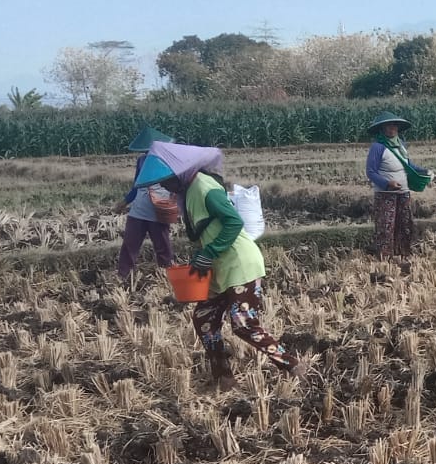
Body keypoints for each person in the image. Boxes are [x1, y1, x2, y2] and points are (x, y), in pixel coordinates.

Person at [135, 143, 299, 390]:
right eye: (161, 183)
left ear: (180, 172)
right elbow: (205, 232)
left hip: (239, 263)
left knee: (243, 324)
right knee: (204, 318)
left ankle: (292, 366)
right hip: (219, 268)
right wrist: (201, 257)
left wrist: (209, 252)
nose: (166, 186)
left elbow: (233, 222)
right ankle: (223, 378)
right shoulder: (188, 192)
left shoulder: (204, 187)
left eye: (167, 180)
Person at [364, 112, 432, 259]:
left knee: (405, 223)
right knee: (386, 225)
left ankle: (403, 253)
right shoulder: (378, 147)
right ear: (382, 129)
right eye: (388, 126)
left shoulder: (401, 145)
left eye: (394, 125)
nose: (392, 128)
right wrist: (387, 183)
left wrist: (424, 171)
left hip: (403, 192)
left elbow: (407, 165)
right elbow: (371, 172)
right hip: (385, 194)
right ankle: (385, 257)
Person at [116, 125, 177, 286]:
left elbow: (176, 185)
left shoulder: (167, 161)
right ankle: (123, 276)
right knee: (130, 244)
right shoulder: (141, 160)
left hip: (159, 208)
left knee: (162, 245)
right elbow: (137, 186)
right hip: (139, 209)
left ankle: (167, 275)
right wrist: (125, 201)